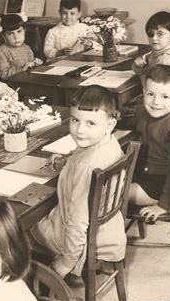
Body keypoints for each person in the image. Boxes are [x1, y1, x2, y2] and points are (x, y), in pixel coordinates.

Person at [29, 86, 127, 279]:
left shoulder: (87, 167)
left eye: (90, 123)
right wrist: (69, 161)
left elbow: (77, 222)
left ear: (110, 124)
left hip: (81, 241)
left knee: (17, 225)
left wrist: (67, 261)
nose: (80, 130)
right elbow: (86, 159)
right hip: (109, 232)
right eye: (75, 120)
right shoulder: (109, 142)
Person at [128, 64, 170, 221]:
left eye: (165, 97)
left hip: (162, 184)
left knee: (106, 192)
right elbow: (130, 122)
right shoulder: (144, 112)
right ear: (143, 93)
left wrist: (162, 205)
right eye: (150, 94)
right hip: (143, 172)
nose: (156, 102)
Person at [132, 11, 170, 83]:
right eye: (151, 34)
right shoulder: (160, 52)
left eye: (160, 34)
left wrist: (141, 71)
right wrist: (139, 66)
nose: (154, 38)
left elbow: (153, 88)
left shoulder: (165, 59)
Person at [0, 14, 43, 80]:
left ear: (24, 31)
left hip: (28, 80)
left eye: (19, 31)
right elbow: (3, 74)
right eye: (10, 34)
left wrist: (36, 64)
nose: (16, 37)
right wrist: (22, 69)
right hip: (13, 83)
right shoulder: (2, 51)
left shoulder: (26, 48)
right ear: (3, 36)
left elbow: (31, 65)